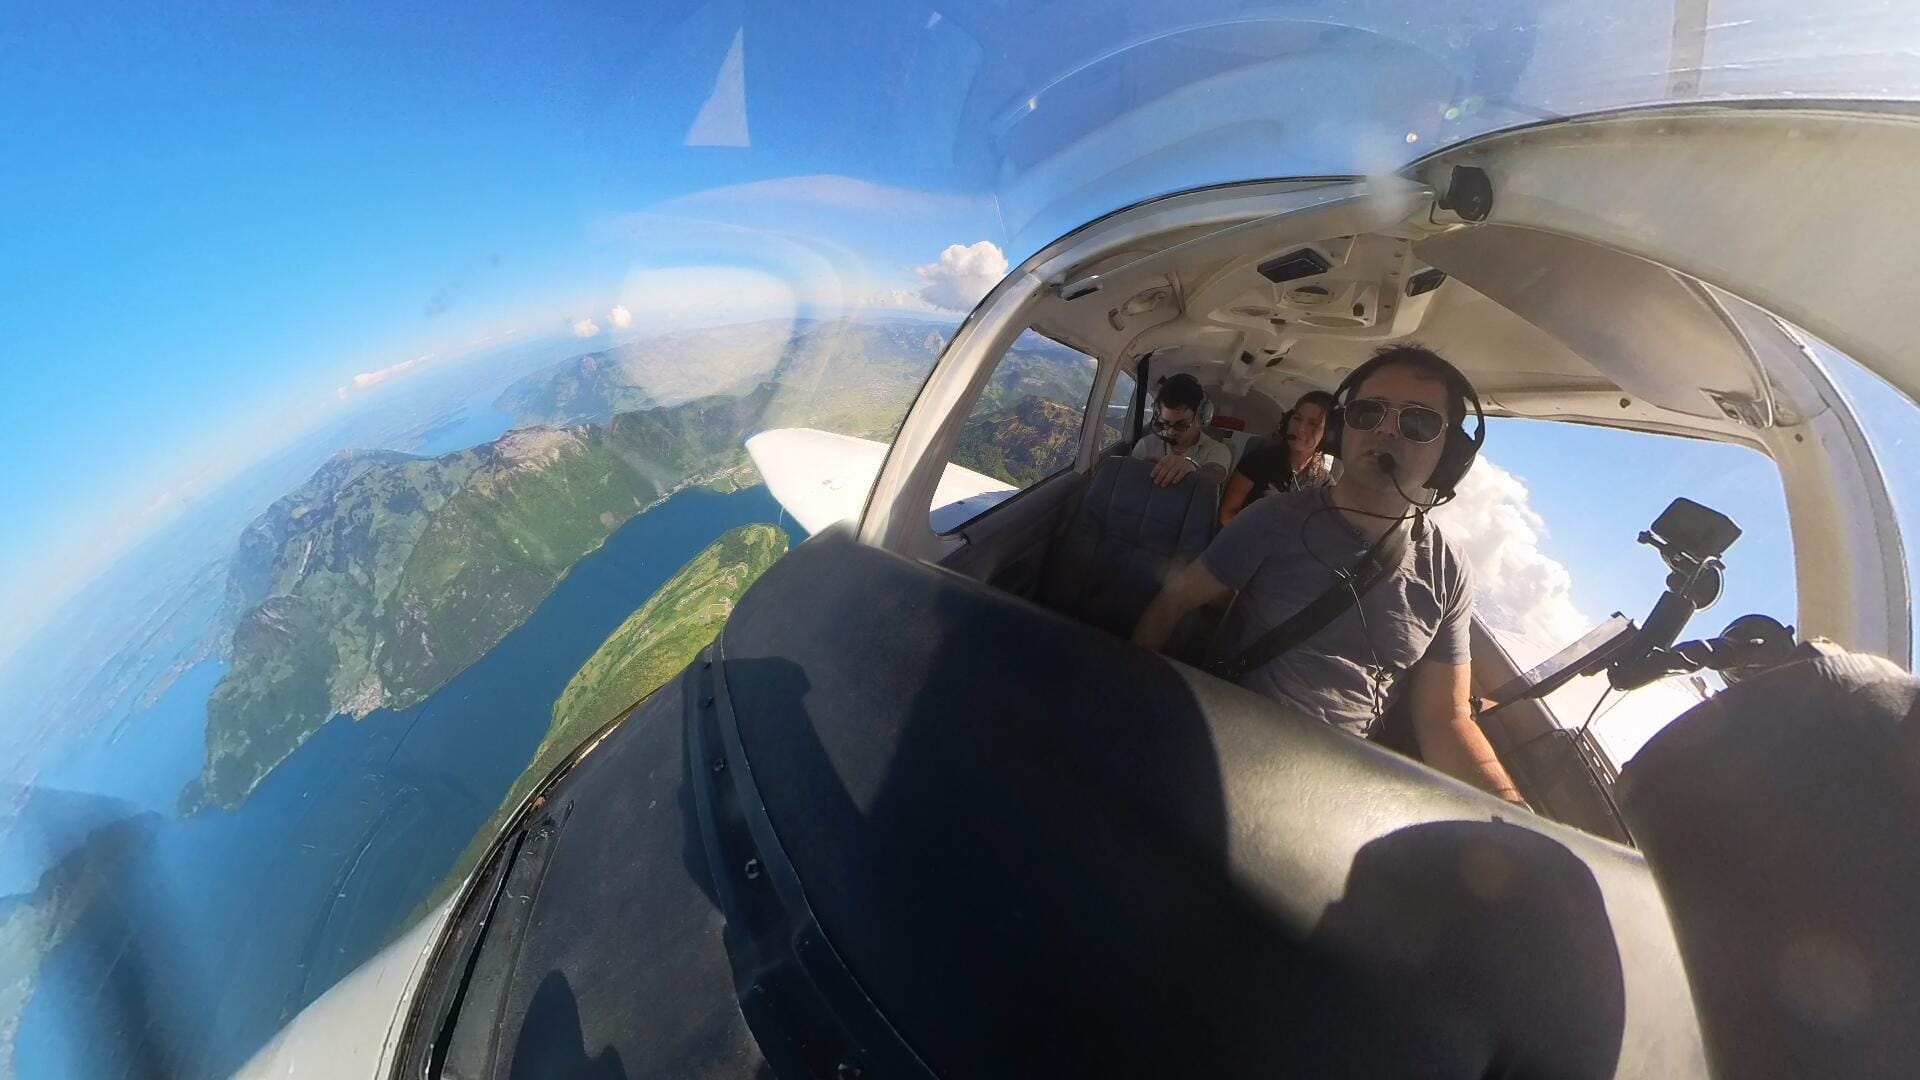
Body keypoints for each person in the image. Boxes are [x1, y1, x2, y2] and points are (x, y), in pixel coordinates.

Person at [1131, 345, 1523, 804]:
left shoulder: (1450, 571)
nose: (1386, 430)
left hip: (1341, 788)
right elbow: (1174, 601)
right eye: (1368, 412)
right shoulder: (1272, 518)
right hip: (1226, 750)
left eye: (1418, 421)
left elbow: (1446, 718)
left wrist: (1514, 813)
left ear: (1450, 454)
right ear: (1340, 431)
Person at [1219, 390, 1336, 525]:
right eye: (1297, 418)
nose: (1301, 428)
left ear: (1327, 435)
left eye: (1313, 424)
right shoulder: (1257, 461)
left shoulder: (1325, 486)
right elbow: (1227, 515)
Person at [1131, 372, 1231, 487]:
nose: (1171, 431)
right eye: (1165, 423)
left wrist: (1193, 468)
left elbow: (1216, 474)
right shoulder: (1145, 445)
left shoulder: (1217, 450)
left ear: (1201, 417)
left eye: (1181, 424)